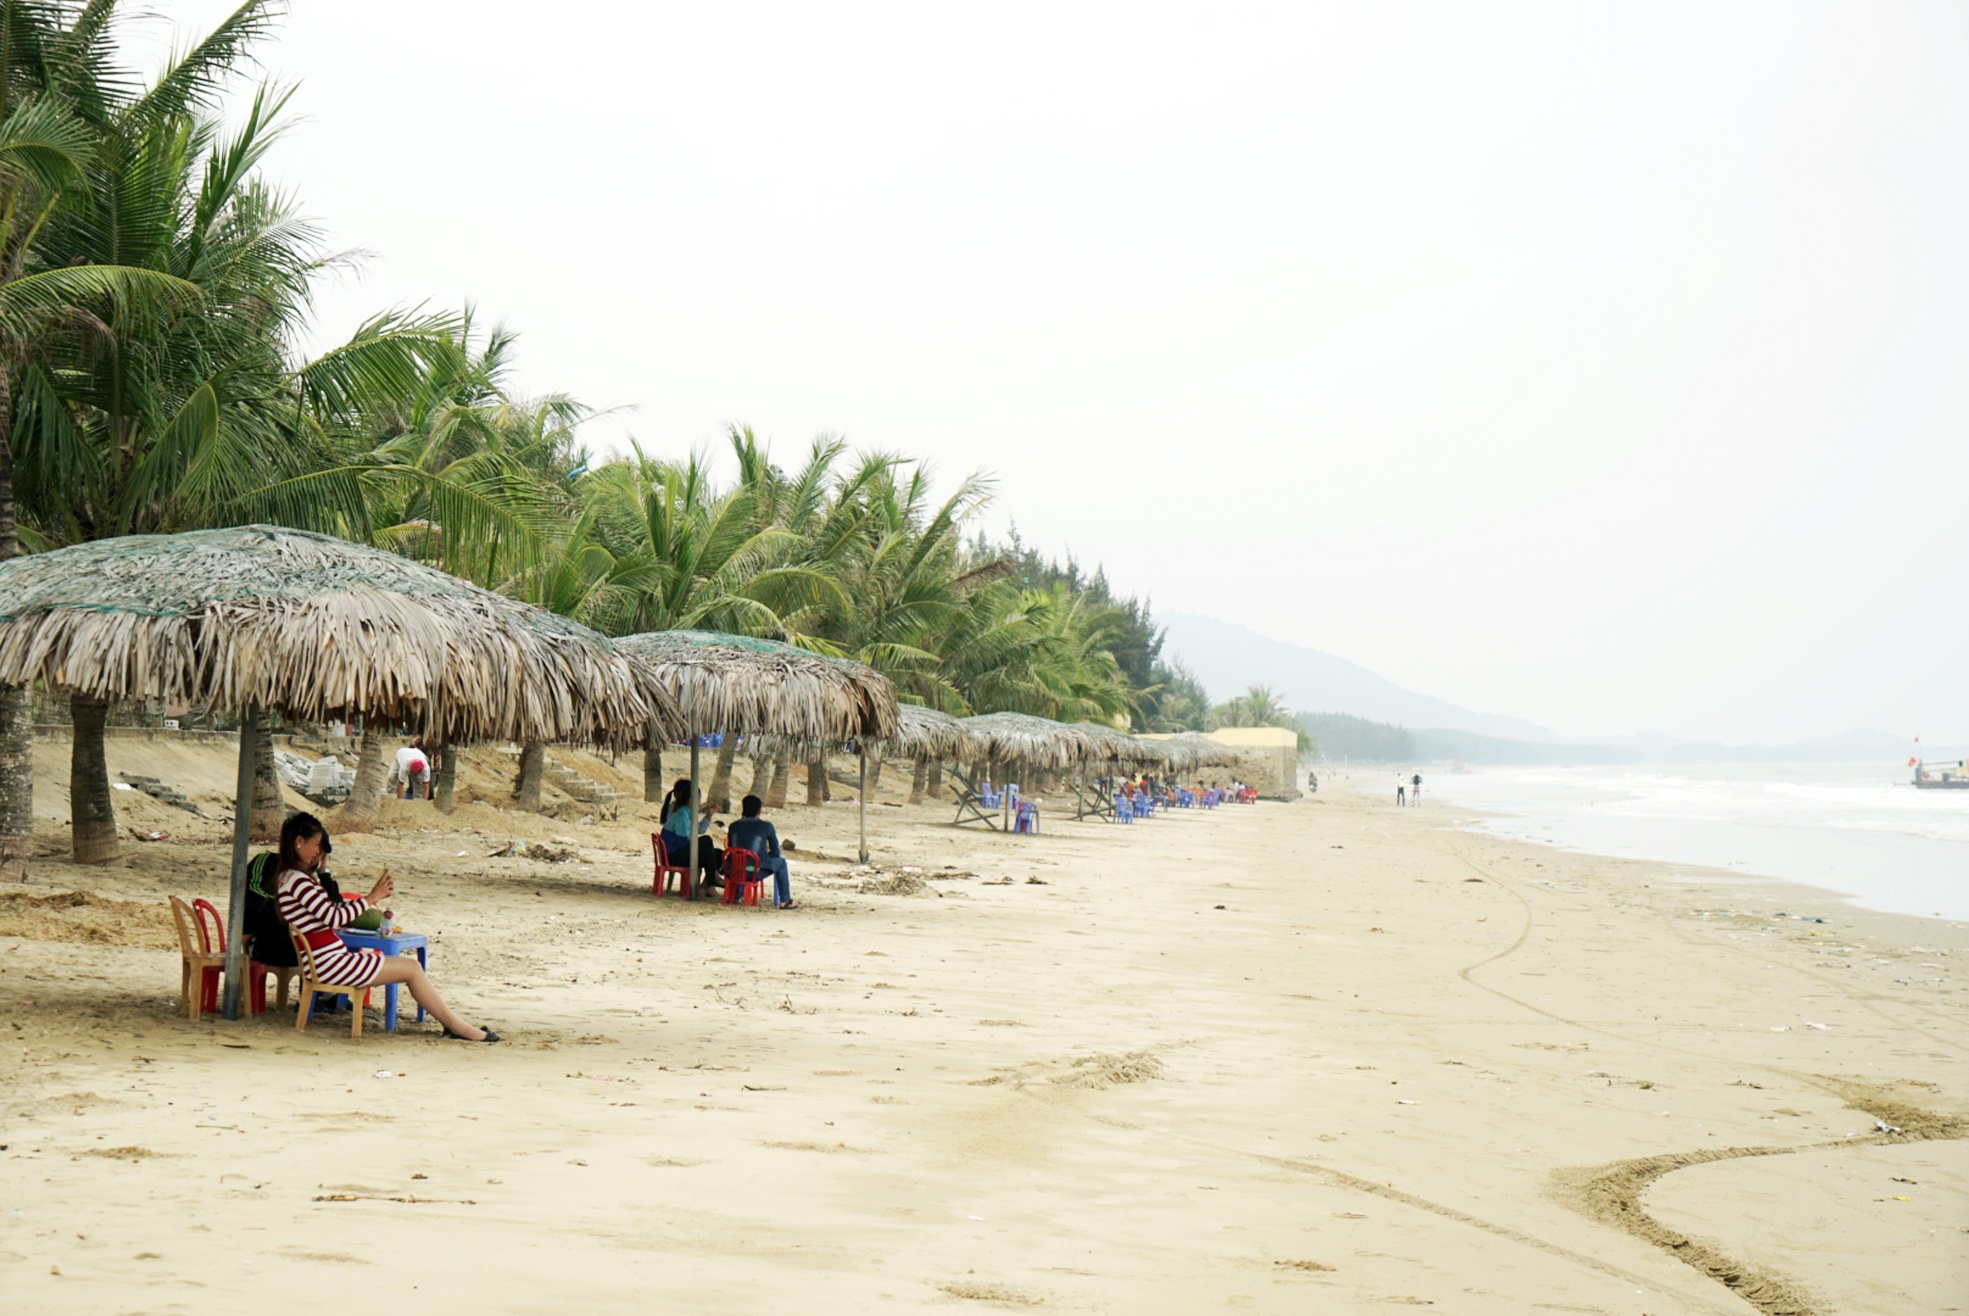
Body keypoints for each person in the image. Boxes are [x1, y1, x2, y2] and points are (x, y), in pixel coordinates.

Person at [273, 812, 498, 1042]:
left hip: (330, 961)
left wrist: (324, 872)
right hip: (332, 965)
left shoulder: (291, 879)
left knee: (410, 967)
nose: (319, 854)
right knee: (412, 969)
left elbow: (333, 908)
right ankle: (458, 1028)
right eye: (317, 846)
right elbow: (334, 917)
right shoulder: (297, 882)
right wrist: (371, 898)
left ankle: (455, 1026)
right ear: (299, 841)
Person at [726, 794, 796, 909]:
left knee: (742, 861)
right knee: (781, 862)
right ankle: (785, 900)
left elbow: (731, 848)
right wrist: (765, 857)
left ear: (743, 809)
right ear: (759, 811)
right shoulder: (766, 826)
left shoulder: (733, 826)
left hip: (733, 870)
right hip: (754, 871)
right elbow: (775, 851)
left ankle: (737, 895)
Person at [659, 778, 723, 886]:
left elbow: (699, 829)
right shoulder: (681, 815)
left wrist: (709, 815)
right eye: (698, 799)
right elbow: (682, 842)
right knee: (706, 842)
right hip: (675, 854)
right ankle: (711, 882)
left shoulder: (686, 812)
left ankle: (707, 884)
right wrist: (698, 845)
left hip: (678, 850)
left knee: (717, 853)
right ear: (689, 799)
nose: (700, 802)